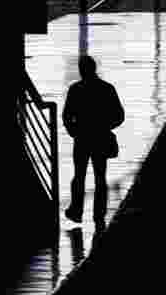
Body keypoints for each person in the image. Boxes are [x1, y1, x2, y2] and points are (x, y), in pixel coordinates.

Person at [63, 55, 125, 229]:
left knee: (79, 176)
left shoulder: (75, 89)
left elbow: (67, 115)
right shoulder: (107, 89)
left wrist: (73, 131)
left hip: (82, 139)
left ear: (82, 70)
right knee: (100, 177)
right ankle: (99, 215)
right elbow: (119, 116)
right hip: (100, 138)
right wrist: (105, 126)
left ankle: (76, 211)